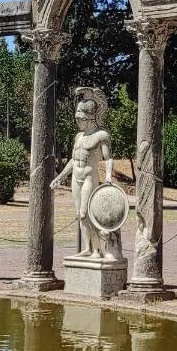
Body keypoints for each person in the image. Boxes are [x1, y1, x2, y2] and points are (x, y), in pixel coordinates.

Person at [51, 87, 122, 261]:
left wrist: (107, 177)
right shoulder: (78, 137)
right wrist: (59, 177)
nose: (78, 122)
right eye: (77, 118)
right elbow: (73, 160)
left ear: (90, 118)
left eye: (80, 119)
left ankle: (98, 250)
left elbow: (108, 159)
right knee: (79, 215)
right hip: (76, 176)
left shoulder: (102, 135)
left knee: (86, 213)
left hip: (90, 175)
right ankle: (88, 248)